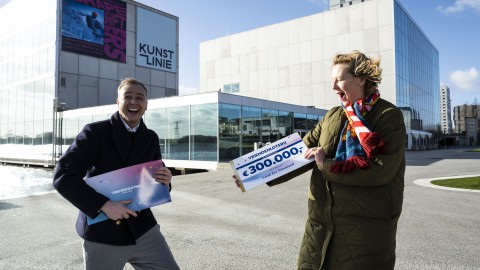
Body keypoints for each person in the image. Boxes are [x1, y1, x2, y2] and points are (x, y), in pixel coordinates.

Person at [234, 50, 406, 269]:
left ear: (362, 79)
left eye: (340, 80)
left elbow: (380, 170)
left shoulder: (387, 116)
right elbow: (300, 151)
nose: (334, 87)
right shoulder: (333, 115)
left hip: (364, 232)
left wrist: (326, 165)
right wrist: (251, 174)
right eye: (332, 80)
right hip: (320, 226)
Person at [53, 78, 179, 270]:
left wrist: (165, 181)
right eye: (127, 97)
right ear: (118, 102)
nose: (134, 102)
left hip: (143, 229)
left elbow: (155, 182)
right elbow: (63, 175)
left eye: (140, 98)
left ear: (146, 104)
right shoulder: (95, 132)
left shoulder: (151, 137)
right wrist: (103, 205)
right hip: (103, 232)